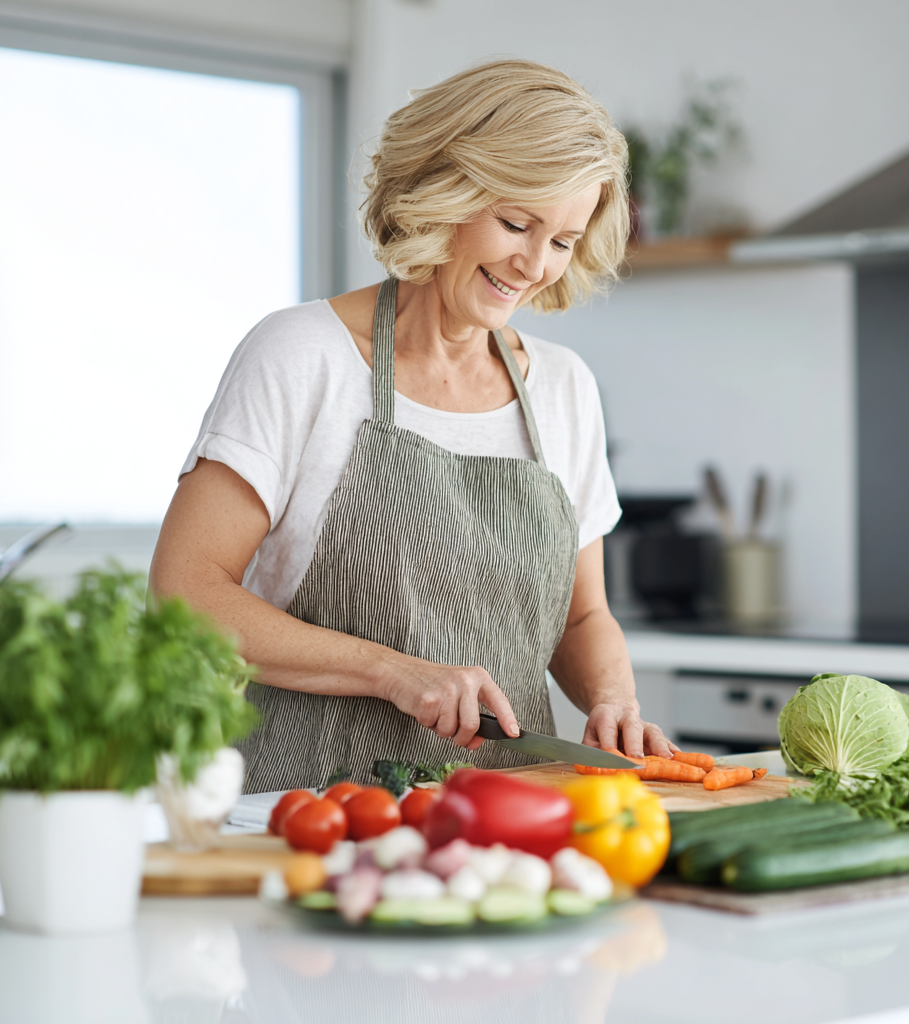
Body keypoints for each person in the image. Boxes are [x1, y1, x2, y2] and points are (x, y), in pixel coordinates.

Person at [150, 58, 675, 790]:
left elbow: (582, 618)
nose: (533, 265)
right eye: (516, 222)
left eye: (562, 240)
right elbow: (185, 592)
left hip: (509, 810)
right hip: (313, 806)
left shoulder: (563, 388)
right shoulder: (305, 355)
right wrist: (391, 672)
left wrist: (614, 699)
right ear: (442, 194)